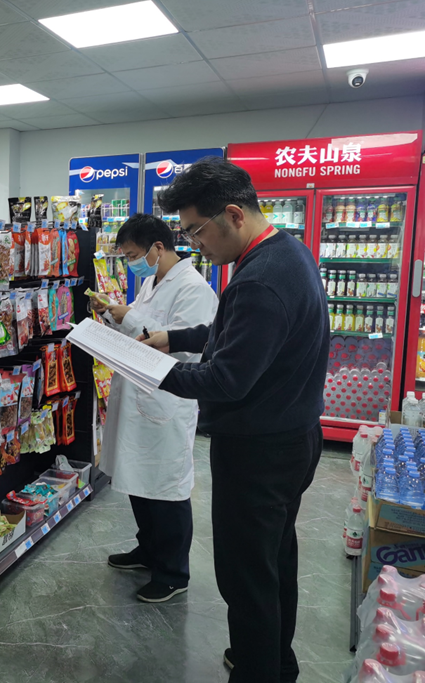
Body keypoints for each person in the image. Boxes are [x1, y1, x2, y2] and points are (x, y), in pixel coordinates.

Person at [140, 157, 328, 683]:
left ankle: (258, 669)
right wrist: (174, 339)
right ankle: (275, 660)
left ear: (234, 215)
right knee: (273, 559)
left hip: (258, 452)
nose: (193, 243)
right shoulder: (284, 251)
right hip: (292, 435)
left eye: (196, 230)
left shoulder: (260, 279)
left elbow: (226, 379)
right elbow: (237, 331)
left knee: (246, 577)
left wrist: (148, 368)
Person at [90, 213, 217, 604]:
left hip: (166, 403)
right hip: (139, 397)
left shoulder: (194, 289)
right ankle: (148, 550)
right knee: (139, 481)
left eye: (133, 255)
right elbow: (138, 330)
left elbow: (187, 348)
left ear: (158, 248)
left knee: (166, 488)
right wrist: (110, 315)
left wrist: (130, 317)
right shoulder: (151, 282)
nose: (132, 263)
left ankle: (173, 571)